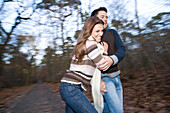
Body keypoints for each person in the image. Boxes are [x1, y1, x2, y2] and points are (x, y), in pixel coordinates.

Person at [60, 16, 108, 113]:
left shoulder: (85, 43)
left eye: (102, 31)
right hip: (72, 88)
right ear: (89, 31)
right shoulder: (91, 44)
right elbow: (101, 64)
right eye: (97, 31)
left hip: (69, 87)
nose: (101, 34)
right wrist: (105, 52)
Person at [91, 7, 126, 113]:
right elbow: (91, 63)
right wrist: (98, 81)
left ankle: (94, 108)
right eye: (102, 17)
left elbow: (122, 49)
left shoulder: (112, 33)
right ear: (94, 19)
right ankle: (87, 108)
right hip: (105, 79)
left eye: (106, 17)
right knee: (117, 111)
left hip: (117, 78)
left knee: (114, 109)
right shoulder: (92, 38)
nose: (105, 19)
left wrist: (111, 59)